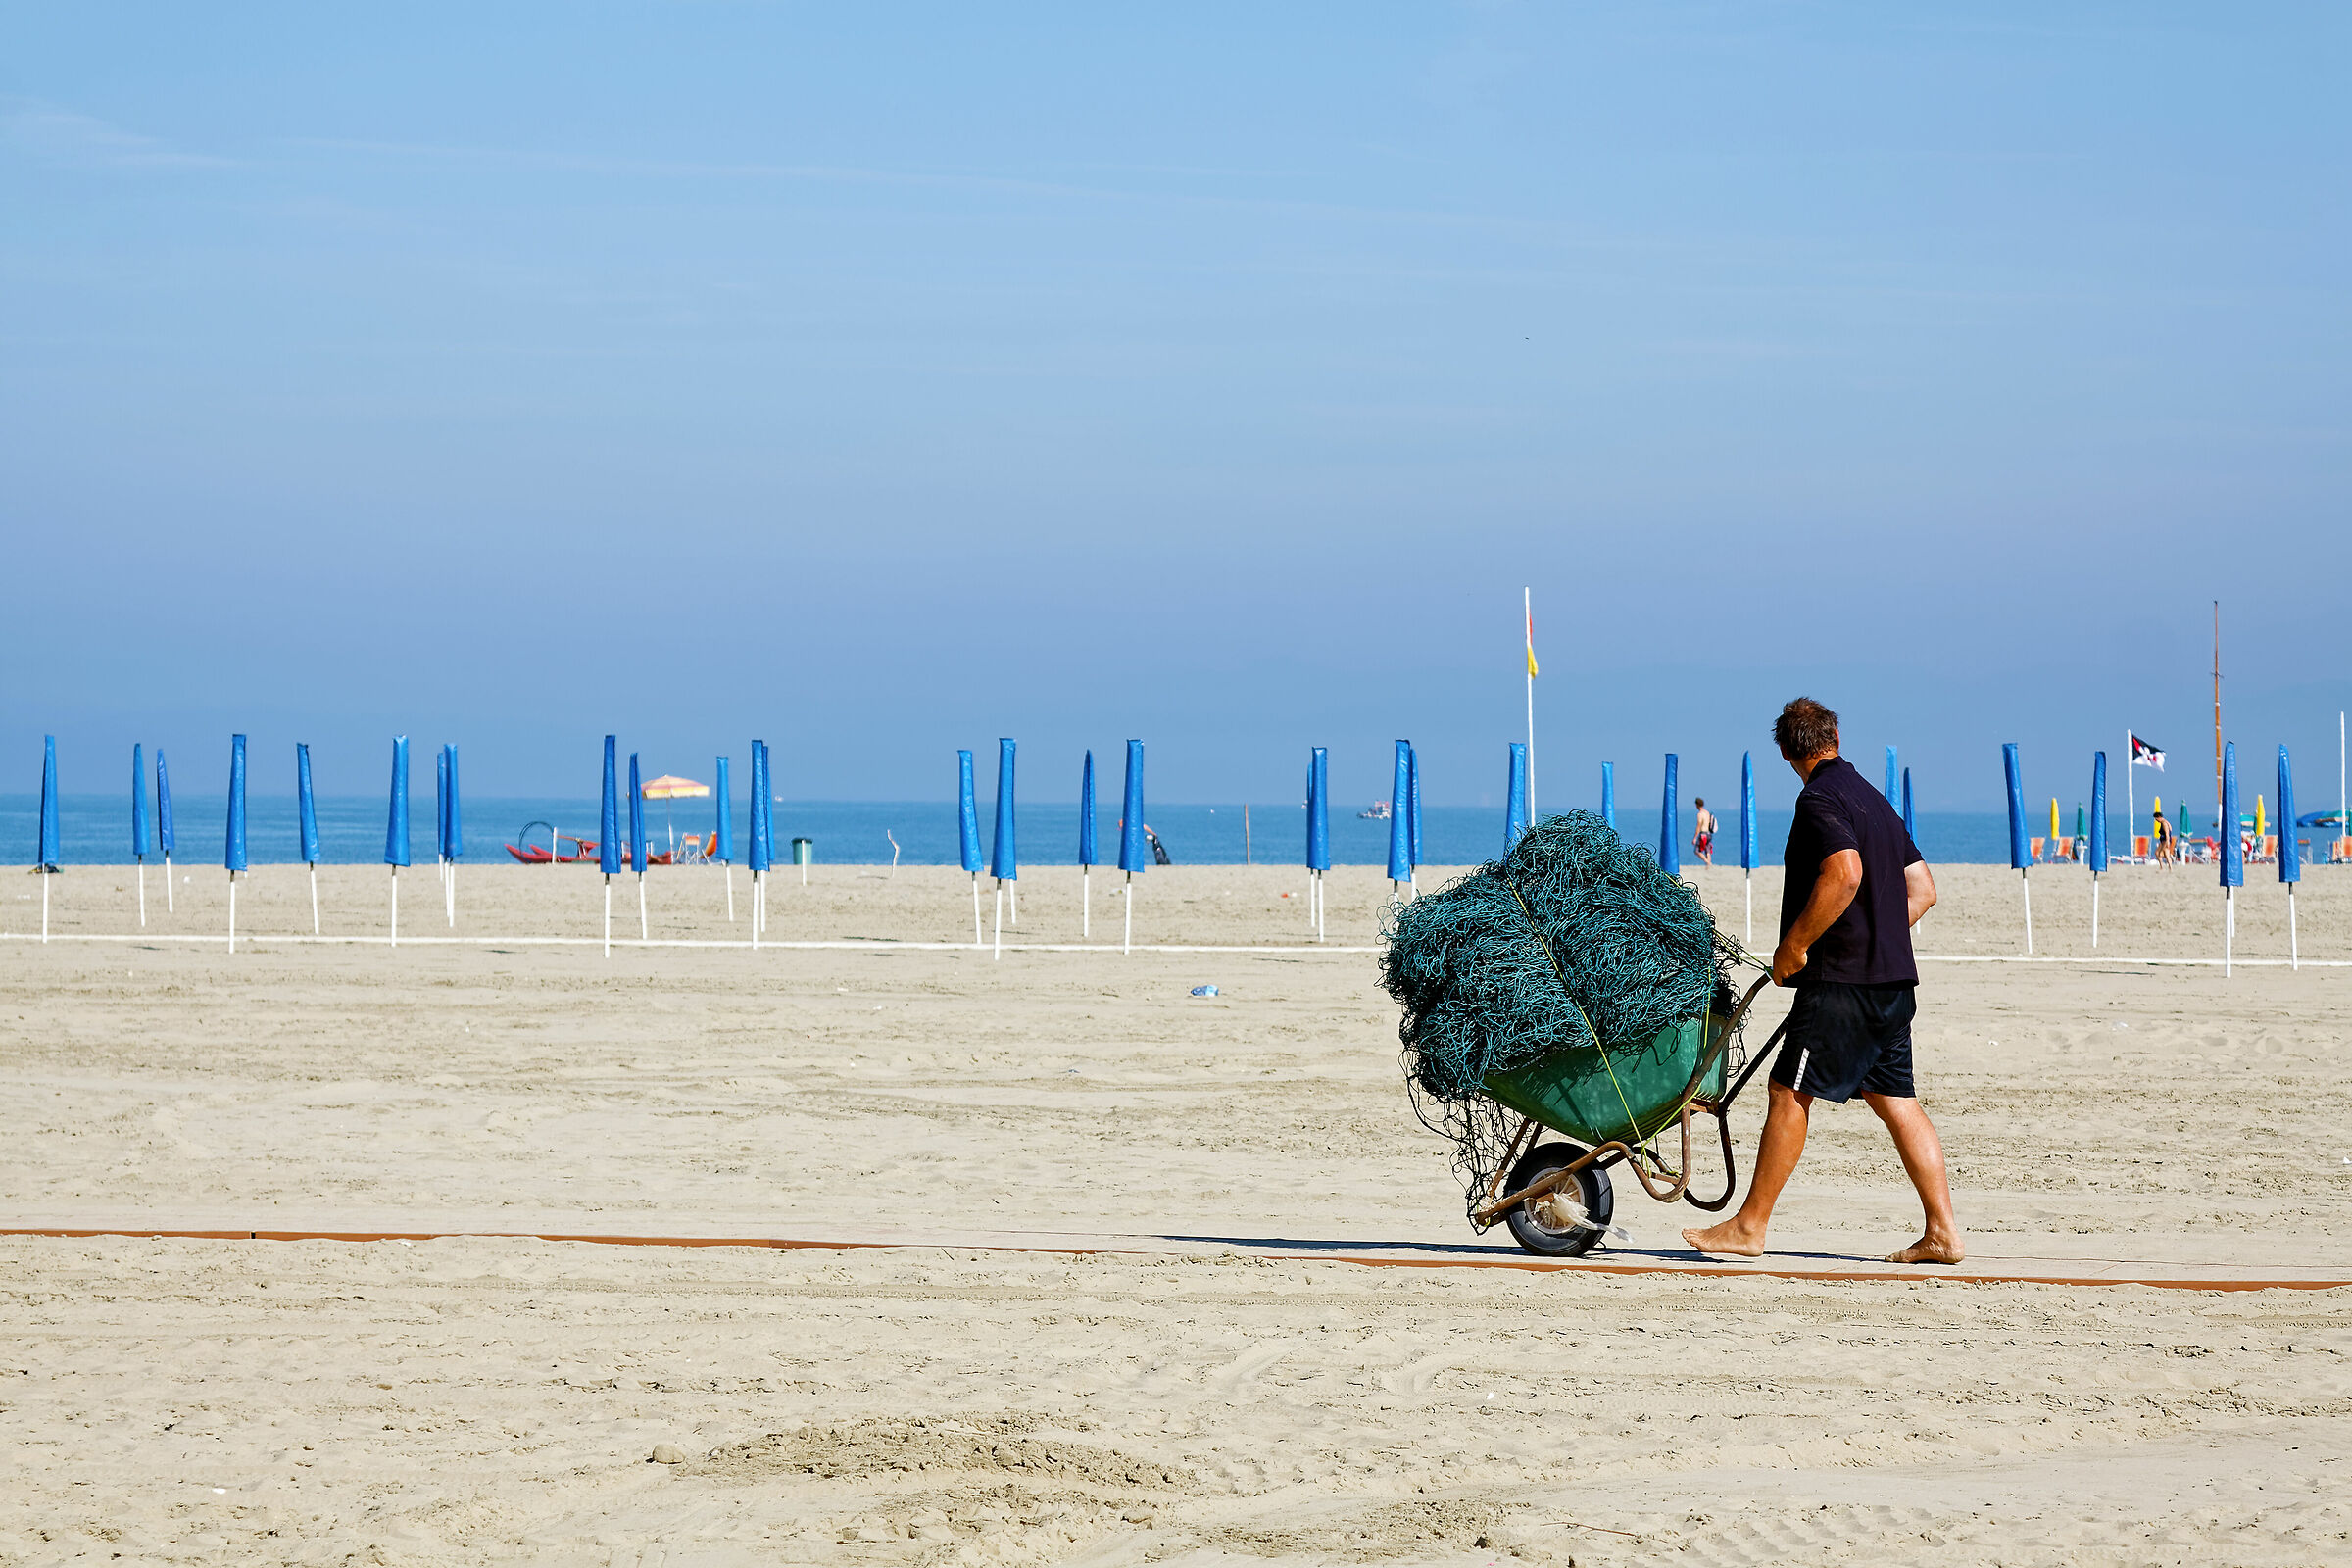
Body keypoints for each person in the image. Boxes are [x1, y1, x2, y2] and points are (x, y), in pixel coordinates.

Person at [1684, 697, 1963, 1265]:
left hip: (1843, 985)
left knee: (1789, 1090)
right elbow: (1923, 890)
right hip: (1891, 983)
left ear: (1786, 752)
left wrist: (1797, 945)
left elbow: (1845, 872)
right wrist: (1877, 934)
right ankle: (1943, 1232)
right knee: (1896, 1100)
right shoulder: (1874, 800)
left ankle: (1750, 1227)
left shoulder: (1819, 800)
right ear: (1836, 737)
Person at [1692, 797, 1717, 866]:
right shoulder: (1707, 813)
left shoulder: (1700, 814)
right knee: (1707, 850)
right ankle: (1708, 867)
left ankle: (1708, 862)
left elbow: (1699, 826)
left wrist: (1695, 837)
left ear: (1697, 804)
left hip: (1703, 834)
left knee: (1697, 851)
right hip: (1709, 834)